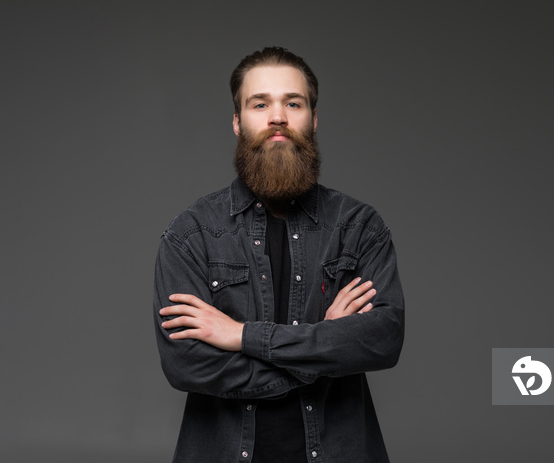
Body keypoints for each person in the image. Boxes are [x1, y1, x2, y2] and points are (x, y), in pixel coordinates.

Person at [153, 46, 405, 463]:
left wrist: (240, 336)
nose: (277, 117)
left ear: (313, 119)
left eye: (293, 102)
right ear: (237, 122)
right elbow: (187, 365)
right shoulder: (191, 233)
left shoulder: (358, 226)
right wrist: (323, 349)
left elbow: (383, 339)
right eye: (260, 103)